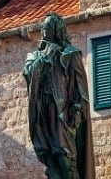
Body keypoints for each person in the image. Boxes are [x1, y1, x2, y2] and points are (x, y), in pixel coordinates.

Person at [23, 13, 95, 179]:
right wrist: (41, 63)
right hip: (43, 111)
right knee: (49, 154)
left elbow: (81, 87)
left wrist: (77, 109)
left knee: (63, 153)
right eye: (43, 27)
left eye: (47, 27)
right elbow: (28, 73)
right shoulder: (35, 57)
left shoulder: (70, 54)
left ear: (56, 30)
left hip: (63, 112)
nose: (43, 30)